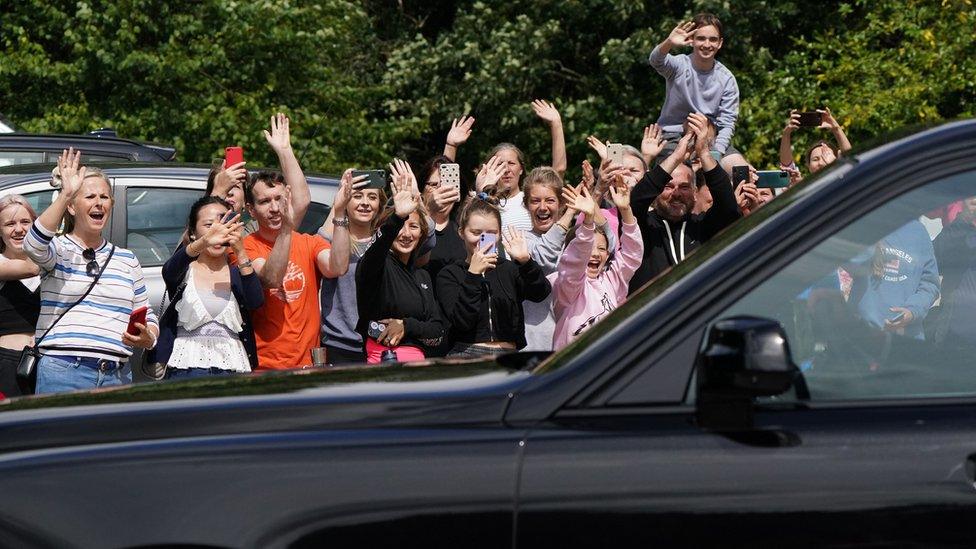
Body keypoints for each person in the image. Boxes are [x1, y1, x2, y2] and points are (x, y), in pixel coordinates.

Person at [24, 149, 158, 393]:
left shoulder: (127, 259)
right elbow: (32, 244)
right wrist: (66, 193)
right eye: (90, 197)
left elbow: (147, 314)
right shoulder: (58, 248)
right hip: (63, 372)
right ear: (72, 208)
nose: (99, 202)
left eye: (104, 197)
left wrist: (150, 338)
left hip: (117, 376)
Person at [243, 122, 347, 370]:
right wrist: (287, 228)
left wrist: (341, 211)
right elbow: (270, 277)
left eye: (279, 199)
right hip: (266, 367)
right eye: (265, 202)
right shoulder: (246, 246)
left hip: (308, 365)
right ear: (251, 210)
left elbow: (337, 266)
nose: (275, 208)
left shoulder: (308, 242)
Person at [628, 114, 740, 294]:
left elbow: (728, 206)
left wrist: (703, 152)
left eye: (685, 187)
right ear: (657, 191)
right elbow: (636, 199)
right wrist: (676, 157)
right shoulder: (642, 227)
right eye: (668, 186)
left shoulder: (704, 226)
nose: (677, 193)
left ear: (695, 193)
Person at [154, 197, 263, 378]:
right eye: (209, 225)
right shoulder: (184, 270)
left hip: (232, 368)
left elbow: (256, 301)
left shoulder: (237, 273)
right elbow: (169, 269)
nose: (217, 232)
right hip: (186, 367)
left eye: (223, 225)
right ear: (193, 233)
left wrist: (241, 251)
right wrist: (205, 241)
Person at [436, 197, 551, 357]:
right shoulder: (450, 274)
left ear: (500, 233)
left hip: (507, 353)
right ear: (462, 232)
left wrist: (526, 262)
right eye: (476, 233)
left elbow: (540, 293)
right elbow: (461, 321)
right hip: (466, 352)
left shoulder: (509, 269)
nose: (483, 240)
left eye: (491, 233)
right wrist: (473, 276)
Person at [355, 164, 444, 364]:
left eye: (413, 226)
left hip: (419, 365)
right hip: (382, 361)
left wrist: (406, 326)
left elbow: (437, 330)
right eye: (400, 228)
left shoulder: (422, 276)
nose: (405, 234)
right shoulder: (377, 265)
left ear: (421, 234)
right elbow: (376, 250)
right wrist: (397, 217)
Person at [649, 13, 747, 173]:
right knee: (678, 175)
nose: (707, 44)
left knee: (743, 171)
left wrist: (715, 154)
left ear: (720, 43)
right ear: (692, 40)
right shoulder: (679, 65)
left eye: (713, 39)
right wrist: (669, 43)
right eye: (701, 38)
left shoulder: (727, 78)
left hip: (711, 140)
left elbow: (727, 123)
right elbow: (655, 61)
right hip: (674, 137)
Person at [553, 181, 643, 349]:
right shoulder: (568, 286)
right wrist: (587, 223)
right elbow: (575, 262)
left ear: (608, 254)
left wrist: (625, 210)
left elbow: (632, 255)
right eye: (589, 248)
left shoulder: (612, 280)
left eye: (601, 248)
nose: (594, 254)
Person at [317, 170, 375, 365]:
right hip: (338, 344)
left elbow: (428, 238)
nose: (365, 203)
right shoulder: (336, 241)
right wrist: (338, 203)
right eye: (357, 196)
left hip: (379, 343)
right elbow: (320, 241)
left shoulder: (389, 241)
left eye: (372, 197)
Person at [0, 195, 40, 396]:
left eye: (25, 222)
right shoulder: (41, 264)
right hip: (7, 365)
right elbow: (32, 267)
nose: (18, 229)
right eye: (9, 224)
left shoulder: (47, 262)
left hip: (47, 363)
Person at [778, 107, 852, 183]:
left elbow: (850, 159)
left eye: (825, 156)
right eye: (815, 159)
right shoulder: (803, 186)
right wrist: (786, 133)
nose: (820, 163)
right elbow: (787, 167)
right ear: (808, 165)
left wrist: (836, 128)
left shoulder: (844, 181)